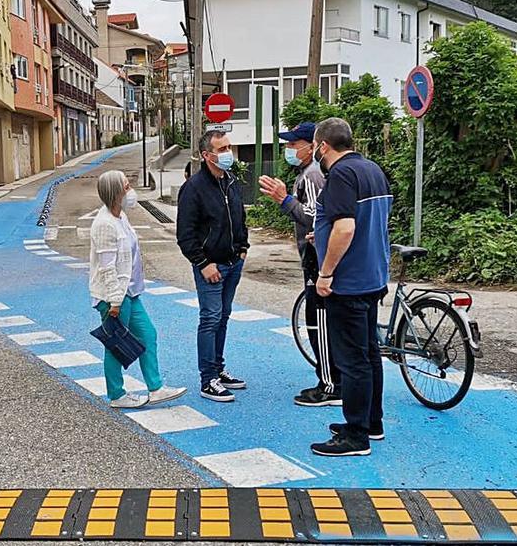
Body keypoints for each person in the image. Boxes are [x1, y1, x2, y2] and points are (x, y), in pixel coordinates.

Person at [309, 118, 393, 457]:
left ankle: (355, 436)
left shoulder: (340, 175)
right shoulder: (372, 169)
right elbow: (364, 221)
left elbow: (345, 228)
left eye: (316, 145)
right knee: (370, 353)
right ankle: (372, 422)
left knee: (352, 359)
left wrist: (326, 273)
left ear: (324, 146)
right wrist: (324, 234)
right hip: (373, 274)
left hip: (348, 281)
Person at [257, 122, 341, 408]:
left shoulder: (312, 175)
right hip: (320, 256)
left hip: (318, 258)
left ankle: (330, 385)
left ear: (311, 146)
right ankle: (331, 379)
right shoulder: (314, 172)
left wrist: (284, 200)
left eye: (293, 145)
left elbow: (314, 217)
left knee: (318, 324)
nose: (289, 150)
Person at [89, 170, 187, 408]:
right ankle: (117, 395)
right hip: (115, 298)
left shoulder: (120, 216)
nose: (130, 189)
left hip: (130, 293)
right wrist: (114, 302)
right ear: (115, 192)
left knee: (147, 335)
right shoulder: (104, 224)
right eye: (125, 186)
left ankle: (156, 388)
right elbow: (106, 268)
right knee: (116, 345)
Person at [176, 130, 249, 402]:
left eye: (229, 146)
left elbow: (240, 219)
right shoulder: (193, 188)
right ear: (207, 155)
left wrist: (243, 249)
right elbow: (185, 235)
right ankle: (208, 380)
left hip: (233, 262)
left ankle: (218, 369)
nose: (229, 153)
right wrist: (203, 263)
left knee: (223, 317)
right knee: (210, 318)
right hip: (211, 266)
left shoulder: (230, 181)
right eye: (222, 149)